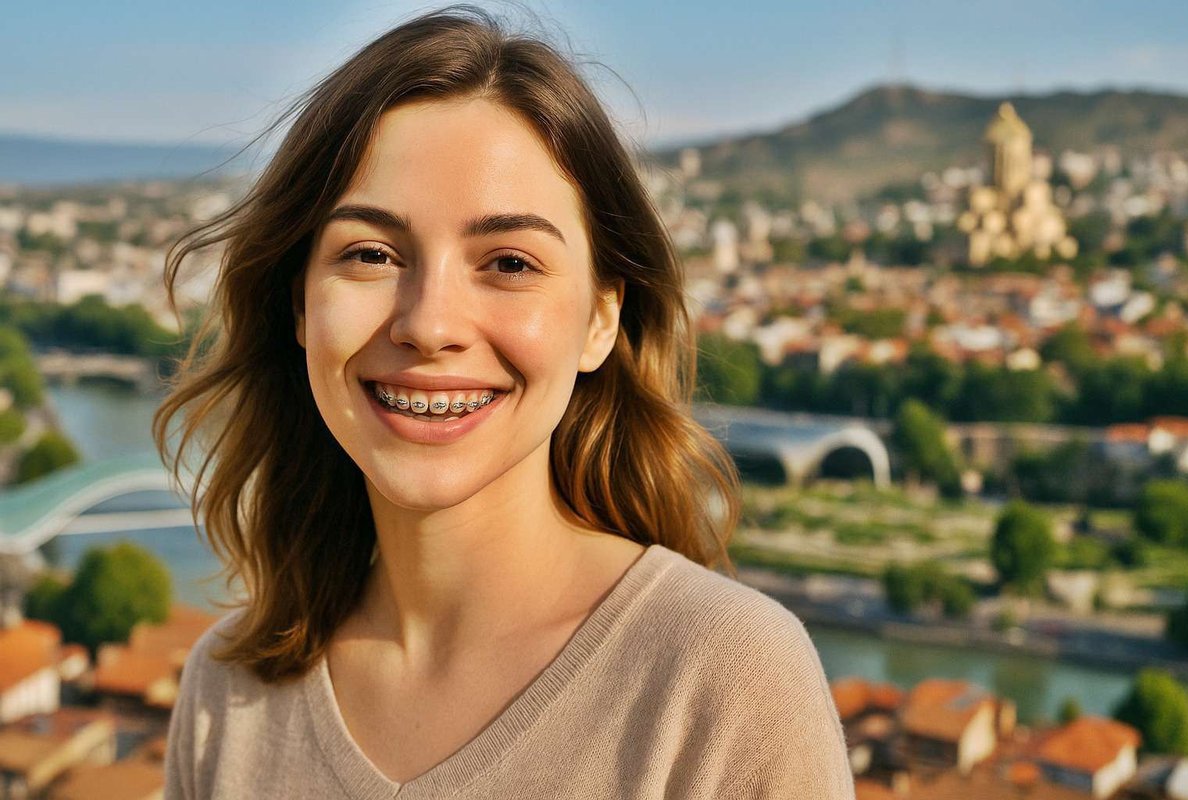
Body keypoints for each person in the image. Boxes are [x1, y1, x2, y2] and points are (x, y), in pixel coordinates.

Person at [155, 5, 854, 798]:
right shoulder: (230, 693)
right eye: (372, 253)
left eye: (510, 262)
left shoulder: (723, 682)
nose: (429, 325)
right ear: (298, 307)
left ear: (600, 319)